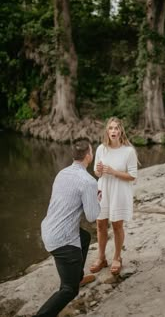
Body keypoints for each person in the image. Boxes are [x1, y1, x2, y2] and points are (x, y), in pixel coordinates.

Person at [34, 140, 101, 317]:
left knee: (85, 237)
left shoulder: (62, 173)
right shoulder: (88, 181)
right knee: (69, 290)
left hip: (47, 228)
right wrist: (96, 199)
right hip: (61, 240)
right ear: (88, 156)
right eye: (91, 152)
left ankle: (77, 277)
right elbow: (92, 216)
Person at [90, 117, 138, 275]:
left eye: (116, 128)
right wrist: (98, 170)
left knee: (117, 226)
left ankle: (117, 257)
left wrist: (113, 172)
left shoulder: (128, 151)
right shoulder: (101, 149)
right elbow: (97, 173)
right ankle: (101, 258)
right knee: (100, 224)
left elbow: (133, 176)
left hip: (119, 192)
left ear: (121, 131)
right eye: (111, 128)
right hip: (103, 191)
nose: (113, 131)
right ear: (107, 131)